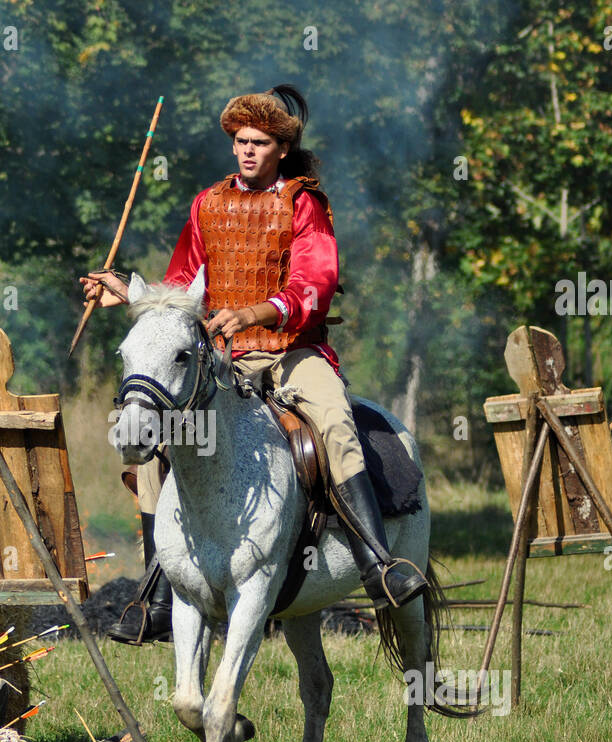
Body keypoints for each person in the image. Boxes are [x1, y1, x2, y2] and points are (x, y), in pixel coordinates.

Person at [82, 85, 427, 644]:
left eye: (259, 143)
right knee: (156, 433)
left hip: (292, 351)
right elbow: (181, 292)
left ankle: (377, 562)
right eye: (240, 141)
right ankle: (161, 594)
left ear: (281, 149)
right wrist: (128, 292)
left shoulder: (303, 203)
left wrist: (254, 311)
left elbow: (317, 284)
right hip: (223, 362)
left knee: (336, 421)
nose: (246, 151)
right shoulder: (206, 205)